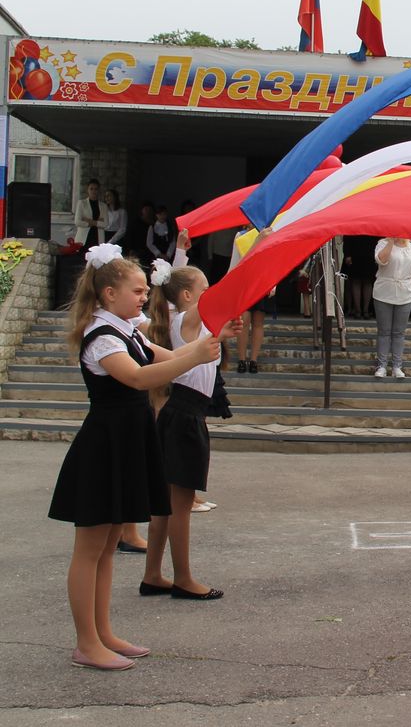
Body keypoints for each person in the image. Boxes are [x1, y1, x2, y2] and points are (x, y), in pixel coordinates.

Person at [48, 245, 220, 670]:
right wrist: (195, 356)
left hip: (125, 442)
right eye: (138, 291)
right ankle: (87, 642)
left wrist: (206, 345)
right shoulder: (101, 335)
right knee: (90, 548)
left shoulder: (125, 329)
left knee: (107, 546)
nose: (145, 297)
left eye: (146, 290)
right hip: (104, 446)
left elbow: (170, 357)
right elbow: (140, 377)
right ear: (108, 293)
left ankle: (103, 632)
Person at [141, 260, 239, 600]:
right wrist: (255, 248)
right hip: (183, 416)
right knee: (179, 506)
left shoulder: (191, 325)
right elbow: (228, 290)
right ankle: (183, 578)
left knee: (166, 506)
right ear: (186, 295)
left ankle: (153, 574)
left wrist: (221, 333)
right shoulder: (185, 319)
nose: (210, 294)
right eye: (204, 289)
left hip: (182, 413)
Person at [372, 238, 411, 378]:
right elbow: (381, 260)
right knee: (384, 331)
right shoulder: (382, 243)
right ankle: (382, 366)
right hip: (383, 292)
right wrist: (390, 241)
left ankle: (397, 366)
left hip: (405, 293)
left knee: (399, 333)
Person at [73, 179, 107, 249]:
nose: (93, 191)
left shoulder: (103, 206)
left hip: (97, 238)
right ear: (87, 190)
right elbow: (77, 222)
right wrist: (97, 222)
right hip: (83, 239)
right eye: (91, 189)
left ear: (99, 190)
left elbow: (105, 224)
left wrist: (89, 221)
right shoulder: (82, 203)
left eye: (96, 189)